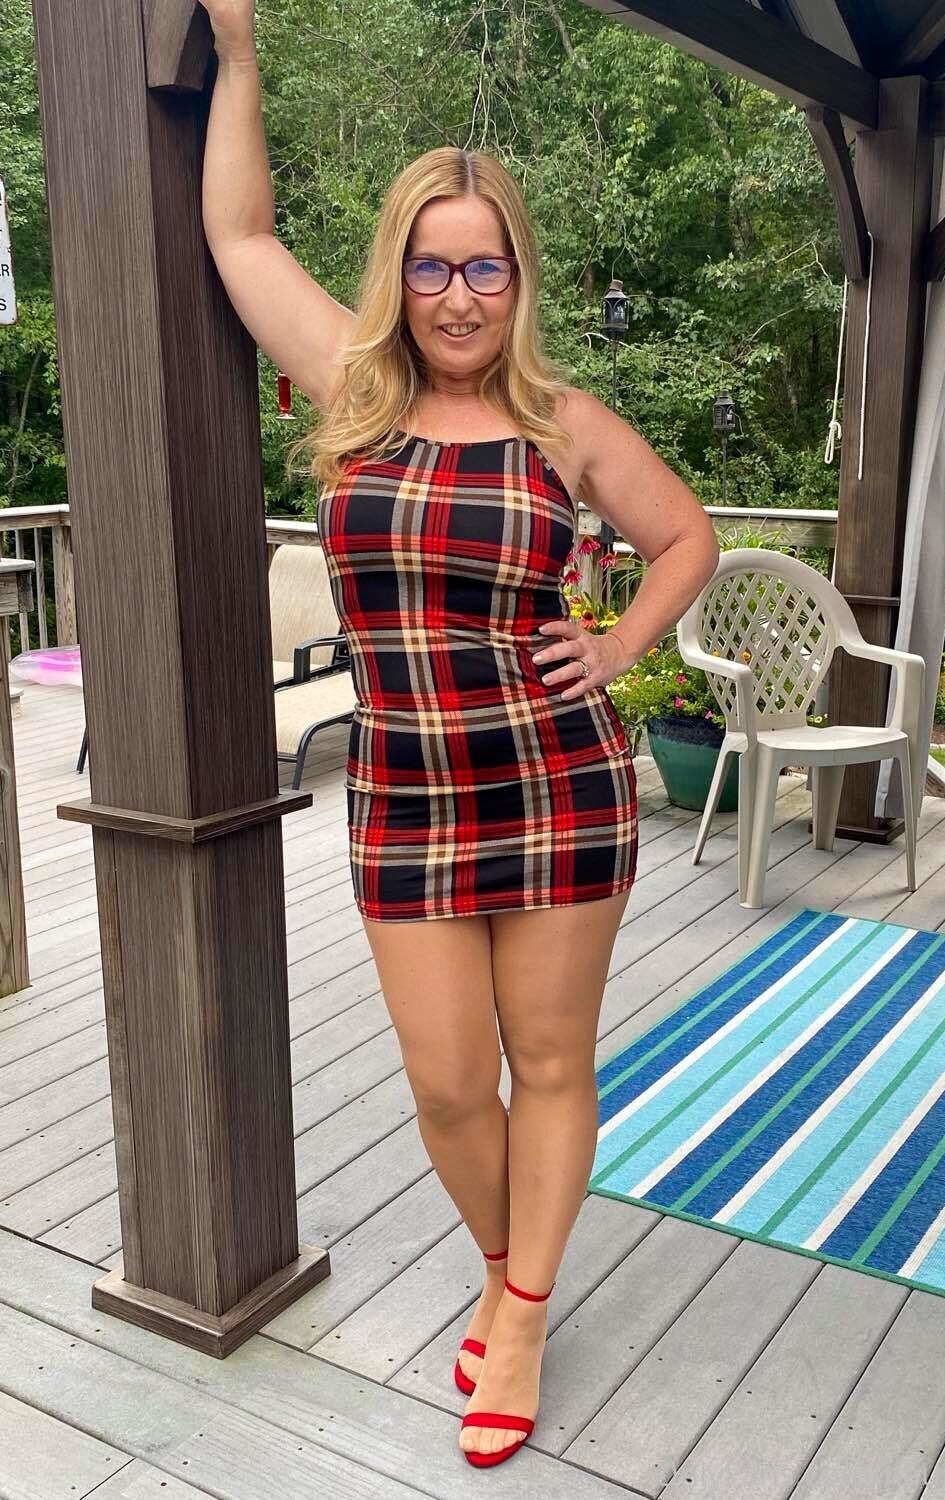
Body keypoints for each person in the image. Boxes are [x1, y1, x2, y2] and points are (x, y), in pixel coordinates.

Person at [198, 0, 719, 1469]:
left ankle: (525, 1313)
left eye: (484, 266)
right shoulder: (356, 396)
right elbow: (240, 238)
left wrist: (614, 646)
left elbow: (685, 537)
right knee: (444, 1083)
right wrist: (238, 56)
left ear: (517, 279)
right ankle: (507, 1266)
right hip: (408, 794)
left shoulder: (565, 423)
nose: (458, 294)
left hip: (556, 784)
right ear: (400, 274)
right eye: (430, 265)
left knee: (547, 1061)